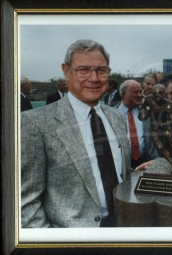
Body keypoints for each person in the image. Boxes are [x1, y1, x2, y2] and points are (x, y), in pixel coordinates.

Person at [21, 39, 130, 228]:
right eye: (84, 70)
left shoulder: (117, 117)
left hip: (124, 227)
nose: (94, 78)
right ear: (66, 71)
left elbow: (117, 174)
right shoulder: (36, 123)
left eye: (101, 70)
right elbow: (26, 203)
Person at [117, 79, 157, 169]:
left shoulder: (148, 112)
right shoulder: (111, 114)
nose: (140, 95)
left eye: (140, 91)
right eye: (135, 92)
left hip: (145, 163)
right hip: (121, 164)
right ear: (123, 94)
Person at [138, 84, 172, 173]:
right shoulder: (149, 99)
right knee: (159, 146)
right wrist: (144, 112)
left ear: (164, 94)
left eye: (160, 94)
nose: (157, 97)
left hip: (166, 127)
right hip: (155, 127)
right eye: (155, 95)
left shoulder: (170, 104)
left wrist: (161, 124)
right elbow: (142, 107)